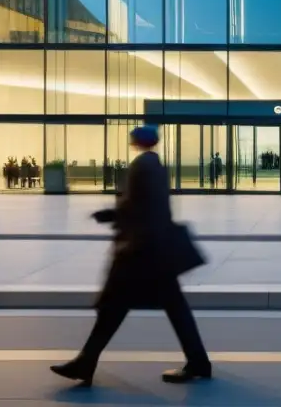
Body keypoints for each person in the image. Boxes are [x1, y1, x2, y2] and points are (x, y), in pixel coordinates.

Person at [50, 125, 211, 387]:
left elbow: (136, 205)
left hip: (140, 252)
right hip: (153, 249)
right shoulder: (156, 165)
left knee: (114, 306)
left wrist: (111, 215)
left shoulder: (141, 166)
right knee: (166, 306)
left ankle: (86, 361)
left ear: (137, 141)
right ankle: (198, 361)